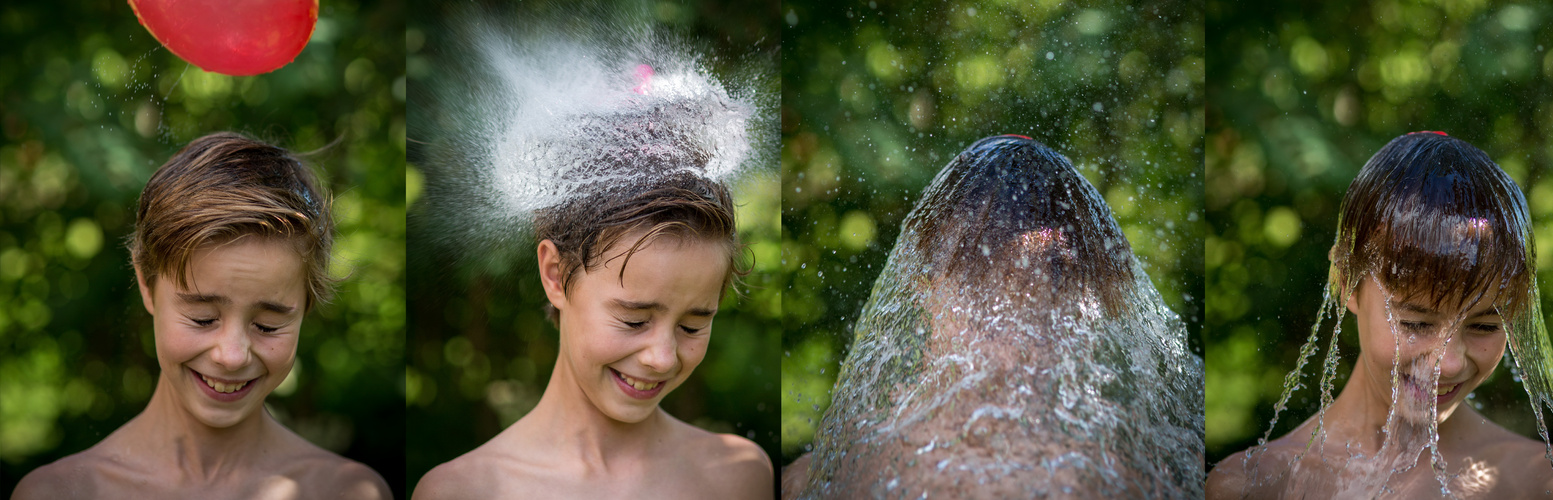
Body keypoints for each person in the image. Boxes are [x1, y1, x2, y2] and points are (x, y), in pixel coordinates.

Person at [783, 135, 1203, 499]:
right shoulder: (1130, 480)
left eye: (1040, 301)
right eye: (980, 295)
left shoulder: (837, 470)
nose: (1011, 335)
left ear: (1084, 308)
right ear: (924, 288)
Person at [1206, 132, 1553, 499]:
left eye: (1484, 326)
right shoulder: (1253, 487)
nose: (1449, 363)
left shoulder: (1542, 483)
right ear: (1346, 283)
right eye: (1417, 323)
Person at [11, 133, 391, 499]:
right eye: (203, 319)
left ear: (307, 306)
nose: (232, 355)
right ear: (146, 285)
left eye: (267, 326)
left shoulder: (347, 493)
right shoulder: (60, 494)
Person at [413, 173, 772, 500]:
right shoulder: (463, 492)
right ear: (555, 275)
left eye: (692, 327)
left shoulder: (739, 477)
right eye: (634, 321)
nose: (663, 358)